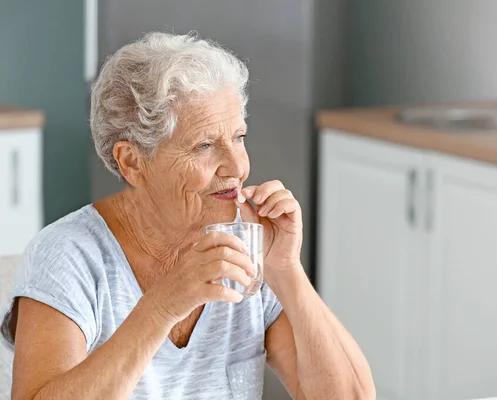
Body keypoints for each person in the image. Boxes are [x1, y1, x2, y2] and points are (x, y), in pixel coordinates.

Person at [0, 32, 375, 400]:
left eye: (239, 137)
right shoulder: (69, 256)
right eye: (205, 145)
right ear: (132, 162)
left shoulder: (248, 251)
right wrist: (164, 305)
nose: (237, 167)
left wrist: (286, 269)